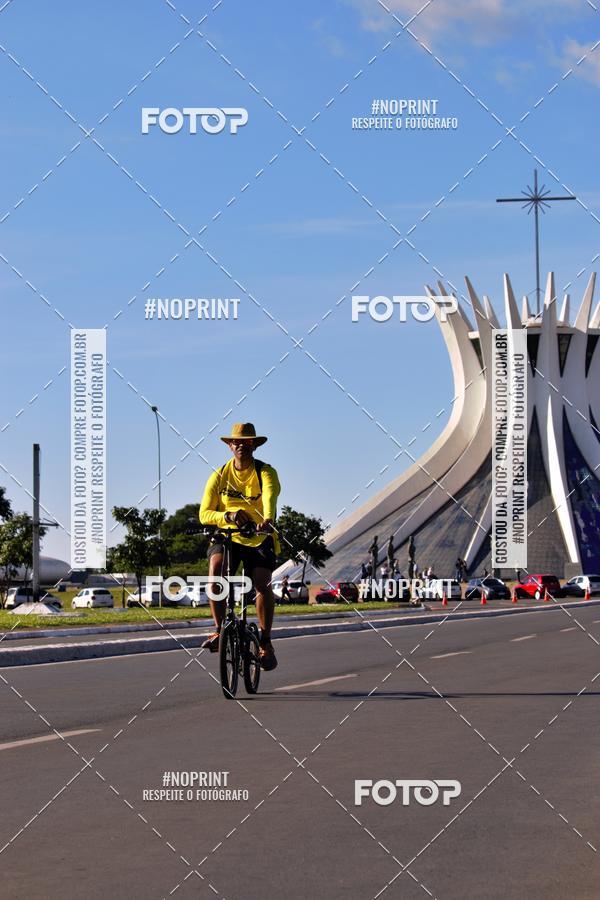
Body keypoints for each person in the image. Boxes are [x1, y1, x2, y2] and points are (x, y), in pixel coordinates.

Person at [199, 422, 281, 671]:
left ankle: (266, 641)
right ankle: (218, 630)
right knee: (215, 570)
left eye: (246, 442)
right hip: (228, 535)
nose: (240, 446)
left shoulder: (265, 472)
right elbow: (204, 513)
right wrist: (228, 516)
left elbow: (270, 496)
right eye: (236, 442)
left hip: (258, 536)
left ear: (254, 445)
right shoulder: (219, 475)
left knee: (261, 583)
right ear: (229, 445)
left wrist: (267, 519)